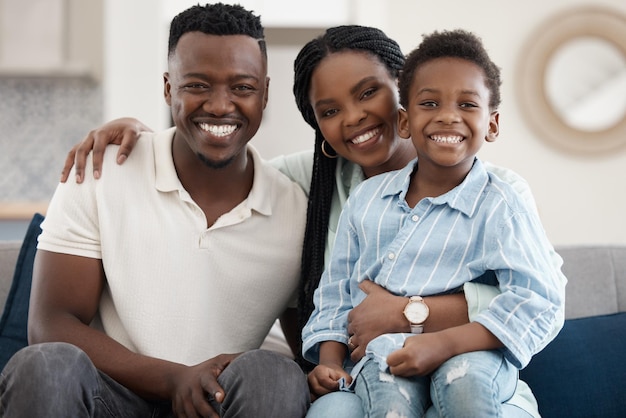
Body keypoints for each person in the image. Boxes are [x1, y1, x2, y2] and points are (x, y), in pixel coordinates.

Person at [58, 25, 565, 417]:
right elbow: (219, 169)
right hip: (366, 373)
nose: (354, 118)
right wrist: (145, 138)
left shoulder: (494, 193)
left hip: (467, 368)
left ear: (404, 90)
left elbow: (537, 296)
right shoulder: (307, 182)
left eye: (369, 93)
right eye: (329, 110)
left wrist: (409, 313)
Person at [0, 4, 311, 417]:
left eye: (242, 87)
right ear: (168, 89)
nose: (221, 105)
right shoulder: (100, 171)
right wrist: (172, 377)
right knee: (45, 365)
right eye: (198, 85)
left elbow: (312, 349)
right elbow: (51, 323)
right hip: (109, 398)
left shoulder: (297, 213)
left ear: (265, 93)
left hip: (217, 403)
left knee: (277, 375)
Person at [302, 29, 565, 417]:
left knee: (466, 386)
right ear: (405, 120)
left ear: (492, 125)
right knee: (387, 402)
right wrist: (330, 360)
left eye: (467, 104)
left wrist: (443, 343)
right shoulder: (367, 200)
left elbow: (539, 298)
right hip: (385, 354)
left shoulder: (501, 203)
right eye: (429, 102)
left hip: (474, 354)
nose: (447, 115)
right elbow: (336, 291)